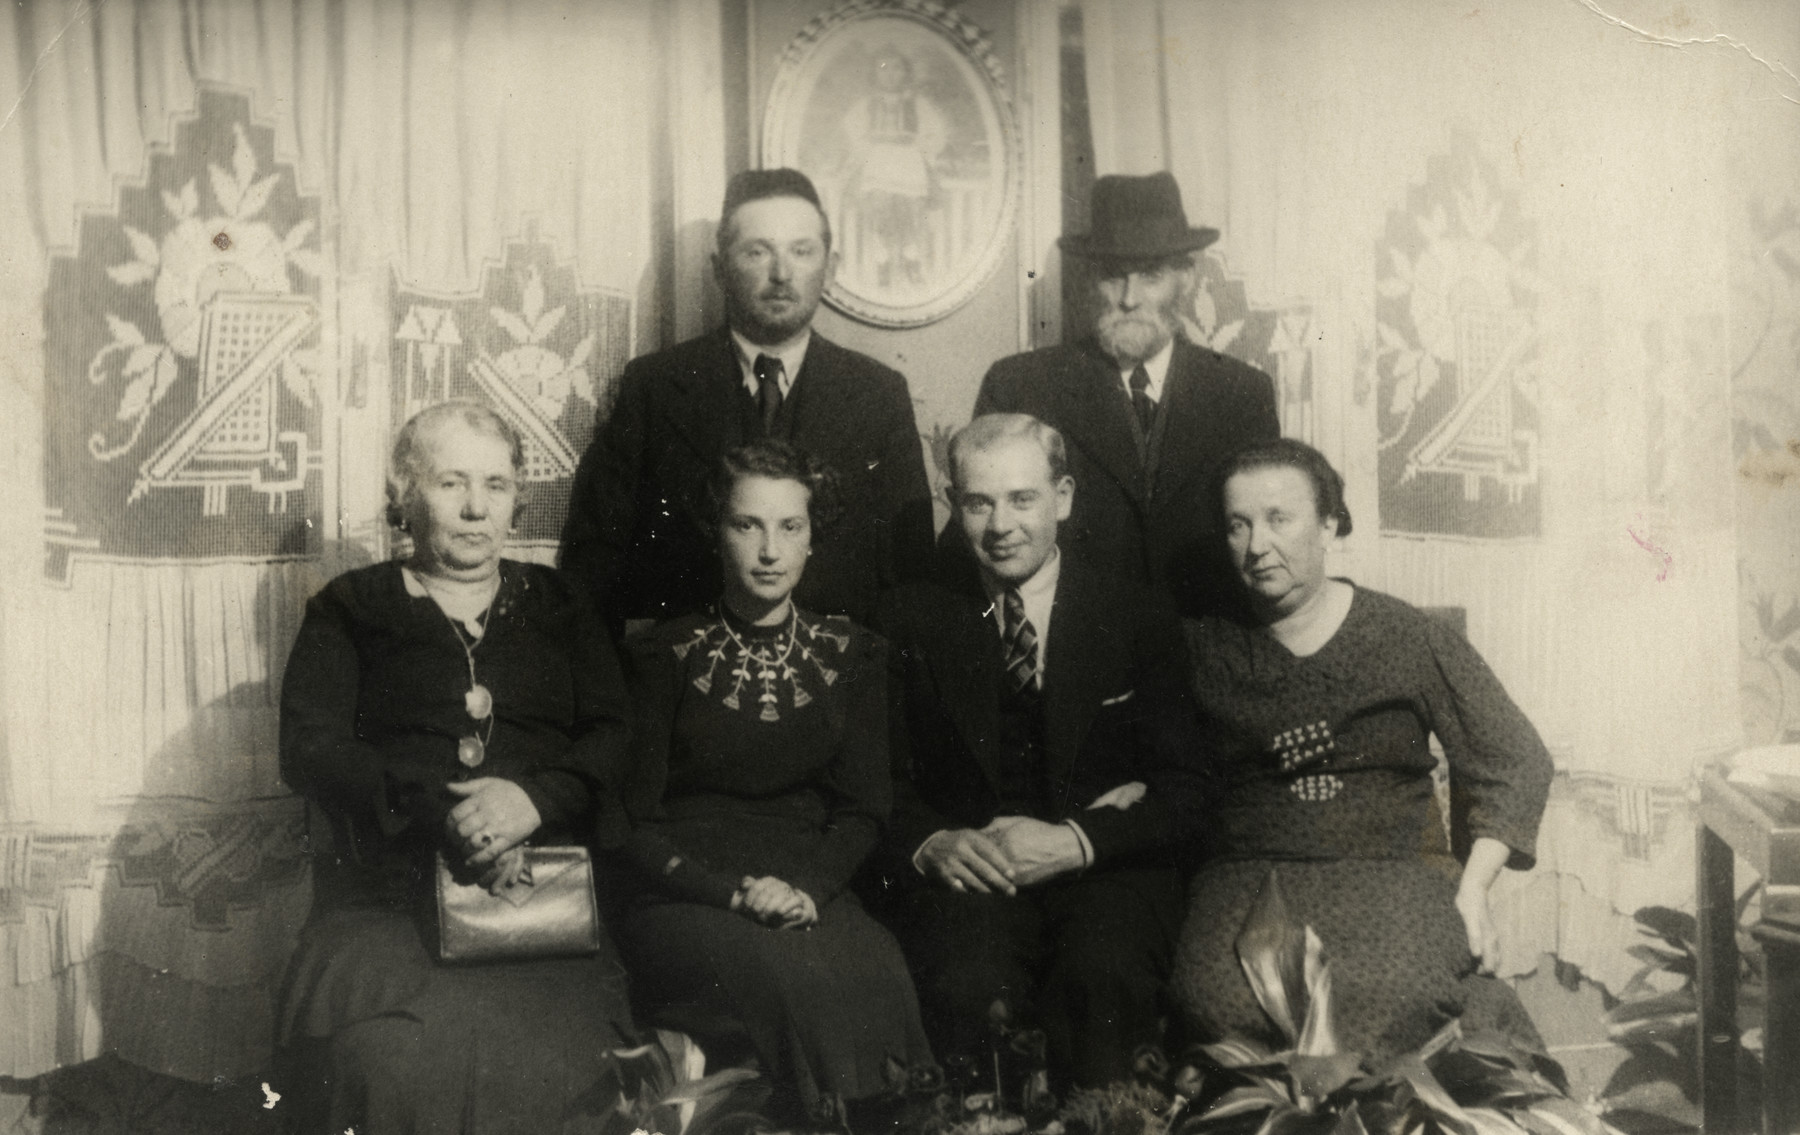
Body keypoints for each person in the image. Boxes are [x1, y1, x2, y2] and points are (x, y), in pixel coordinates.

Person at [274, 401, 637, 1134]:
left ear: (517, 500)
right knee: (392, 1064)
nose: (476, 508)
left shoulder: (564, 606)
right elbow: (311, 748)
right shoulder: (349, 609)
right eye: (450, 483)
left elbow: (616, 733)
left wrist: (532, 801)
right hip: (389, 900)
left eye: (496, 485)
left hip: (543, 906)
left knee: (571, 1068)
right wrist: (447, 811)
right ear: (403, 496)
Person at [1170, 438, 1553, 1062]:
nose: (1257, 545)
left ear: (1328, 524)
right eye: (1238, 525)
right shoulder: (1202, 648)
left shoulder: (1403, 635)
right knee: (1221, 1001)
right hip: (1247, 876)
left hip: (1390, 873)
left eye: (1279, 519)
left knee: (1394, 994)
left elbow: (1514, 758)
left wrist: (1475, 888)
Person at [874, 413, 1210, 1091]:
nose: (1001, 525)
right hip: (974, 870)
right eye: (978, 502)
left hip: (1104, 866)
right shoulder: (908, 617)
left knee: (1103, 976)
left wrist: (1076, 840)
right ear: (954, 504)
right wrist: (932, 842)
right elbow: (877, 781)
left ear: (1063, 497)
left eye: (1023, 499)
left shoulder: (1138, 614)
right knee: (969, 985)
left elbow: (1190, 789)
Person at [611, 438, 932, 1123]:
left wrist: (807, 890)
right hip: (686, 894)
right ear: (715, 531)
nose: (769, 549)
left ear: (813, 538)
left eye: (790, 526)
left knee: (877, 966)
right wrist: (729, 893)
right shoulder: (660, 654)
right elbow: (626, 821)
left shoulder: (853, 654)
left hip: (804, 886)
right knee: (782, 977)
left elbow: (864, 808)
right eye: (747, 524)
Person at [561, 167, 935, 631]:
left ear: (830, 267)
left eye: (801, 251)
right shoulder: (654, 387)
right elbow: (595, 559)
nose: (781, 274)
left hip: (839, 686)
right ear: (719, 269)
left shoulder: (878, 394)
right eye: (757, 252)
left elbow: (912, 573)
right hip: (685, 683)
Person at [973, 171, 1279, 618]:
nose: (1130, 298)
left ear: (1186, 279)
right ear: (1090, 281)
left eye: (1151, 275)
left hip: (1205, 652)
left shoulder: (1241, 393)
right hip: (1075, 653)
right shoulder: (1021, 385)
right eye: (1114, 277)